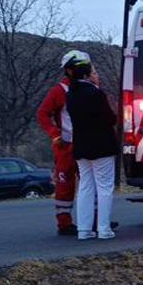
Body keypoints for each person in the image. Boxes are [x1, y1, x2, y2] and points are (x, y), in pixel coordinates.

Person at [36, 50, 91, 236]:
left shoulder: (90, 88)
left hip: (87, 144)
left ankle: (94, 220)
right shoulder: (59, 91)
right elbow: (42, 114)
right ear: (68, 70)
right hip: (66, 145)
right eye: (80, 67)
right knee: (65, 183)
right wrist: (54, 134)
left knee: (89, 184)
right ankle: (64, 223)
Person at [67, 64, 118, 241]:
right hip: (101, 145)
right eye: (95, 72)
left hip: (81, 145)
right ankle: (103, 228)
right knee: (104, 187)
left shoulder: (70, 94)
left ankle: (84, 228)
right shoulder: (96, 94)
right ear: (88, 76)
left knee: (85, 187)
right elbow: (110, 118)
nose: (97, 75)